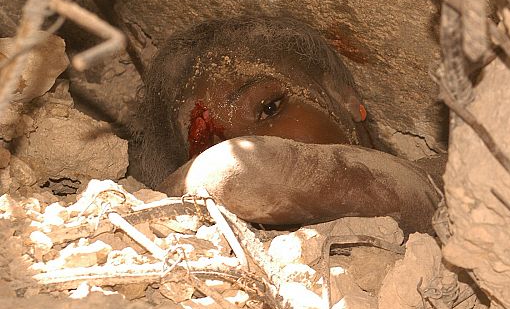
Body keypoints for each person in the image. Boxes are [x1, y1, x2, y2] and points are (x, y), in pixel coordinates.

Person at [133, 16, 440, 234]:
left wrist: (160, 203)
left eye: (269, 108)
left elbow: (248, 168)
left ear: (342, 97)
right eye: (207, 147)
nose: (262, 142)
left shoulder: (455, 179)